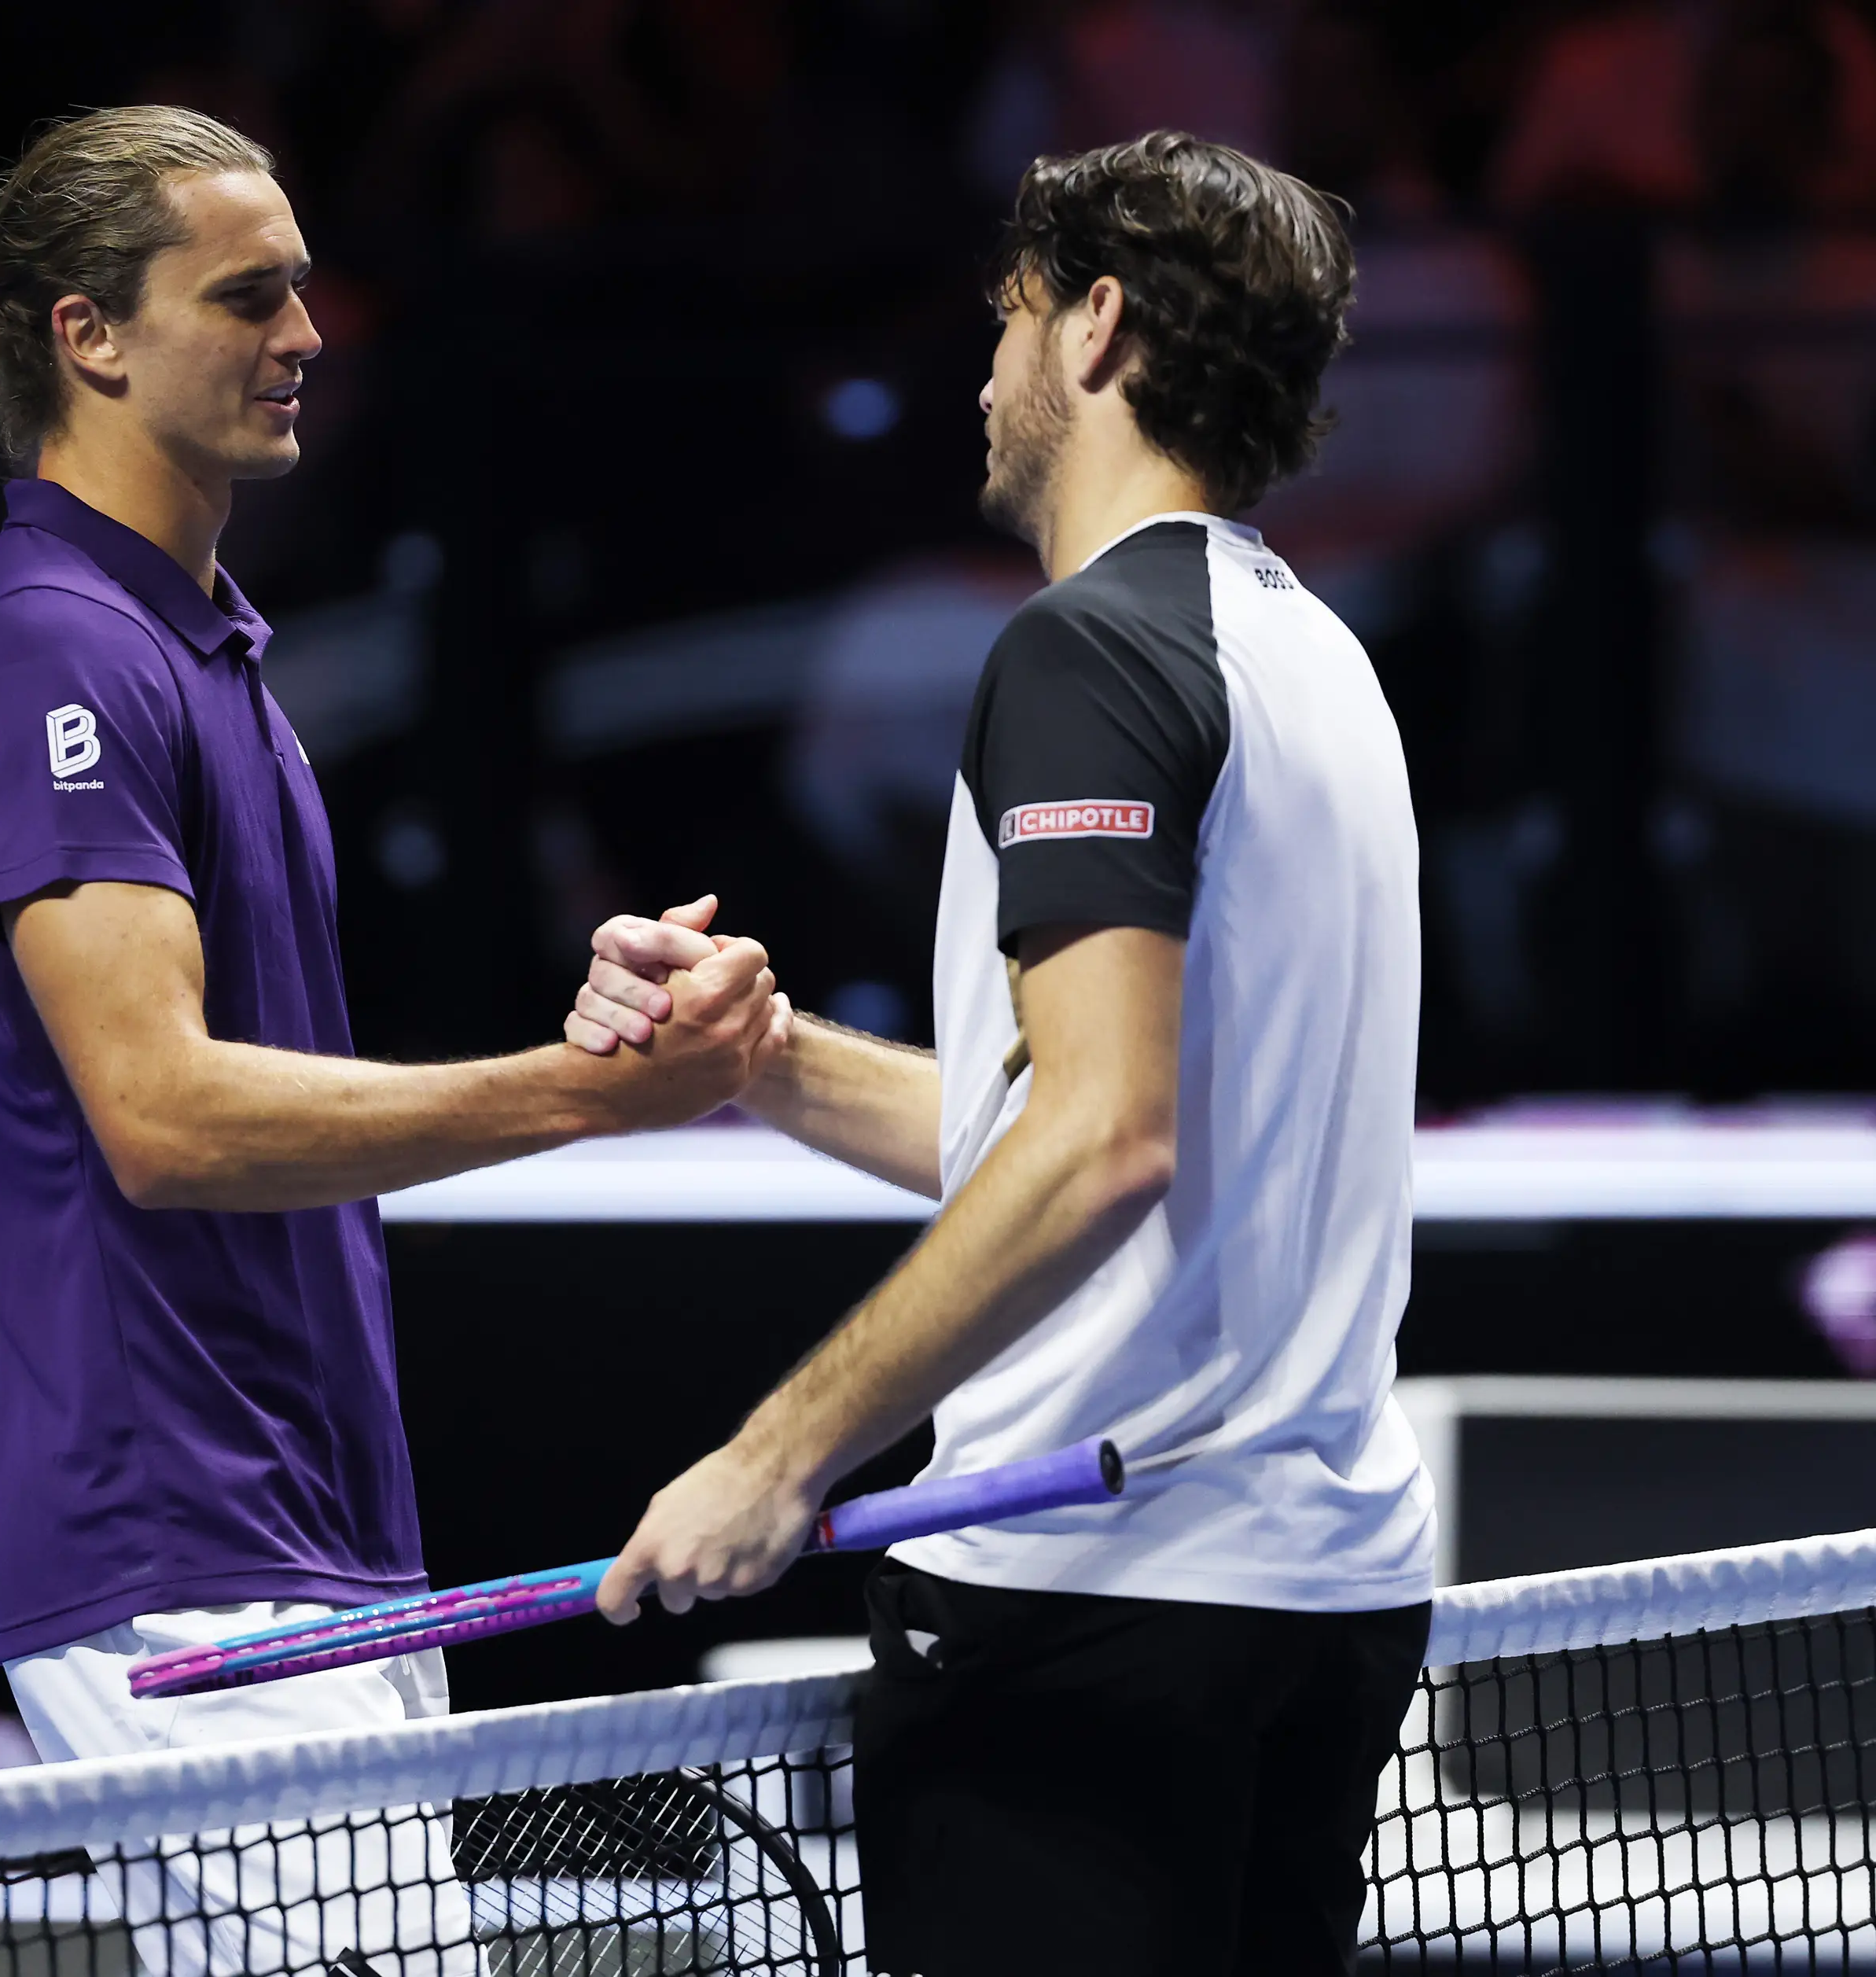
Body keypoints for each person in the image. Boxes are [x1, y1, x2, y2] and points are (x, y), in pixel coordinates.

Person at [0, 105, 778, 1972]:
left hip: (305, 1532)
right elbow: (165, 1114)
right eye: (248, 295)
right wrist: (584, 1102)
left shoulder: (198, 646)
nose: (306, 335)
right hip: (178, 1542)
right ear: (85, 334)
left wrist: (580, 1030)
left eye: (306, 289)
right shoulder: (50, 645)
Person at [569, 132, 1435, 1975]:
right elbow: (1108, 1116)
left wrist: (779, 1454)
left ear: (1102, 326)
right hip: (1320, 1611)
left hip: (1089, 1619)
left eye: (1012, 319)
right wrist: (770, 1058)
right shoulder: (1317, 659)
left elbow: (1106, 1140)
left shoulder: (1089, 651)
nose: (984, 373)